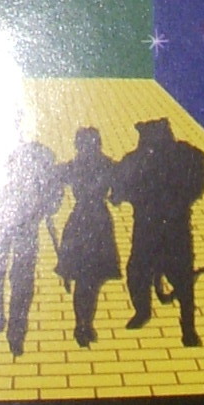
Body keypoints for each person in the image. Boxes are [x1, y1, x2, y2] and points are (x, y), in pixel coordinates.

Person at [114, 117, 204, 347]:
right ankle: (157, 317)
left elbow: (197, 185)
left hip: (165, 228)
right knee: (151, 273)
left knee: (172, 277)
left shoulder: (180, 157)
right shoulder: (146, 159)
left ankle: (183, 327)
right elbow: (119, 189)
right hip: (159, 228)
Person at [0, 137, 67, 356]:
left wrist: (44, 207)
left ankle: (14, 330)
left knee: (18, 278)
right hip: (2, 223)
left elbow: (55, 191)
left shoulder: (41, 156)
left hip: (24, 224)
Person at [53, 126, 121, 346]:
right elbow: (118, 194)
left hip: (79, 220)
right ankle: (85, 324)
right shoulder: (108, 165)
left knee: (84, 278)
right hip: (99, 221)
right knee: (91, 280)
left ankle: (82, 323)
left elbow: (53, 177)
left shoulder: (74, 166)